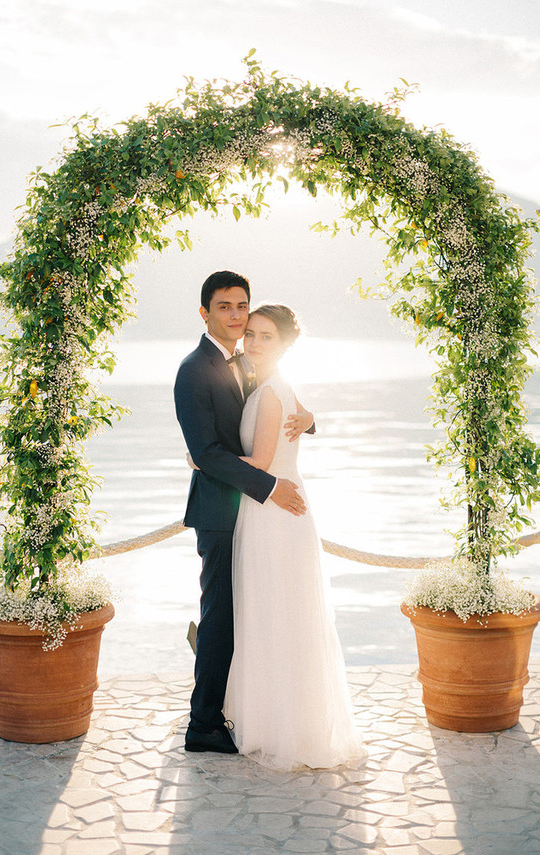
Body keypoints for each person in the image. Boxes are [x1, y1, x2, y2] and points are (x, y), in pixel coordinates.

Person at [174, 272, 314, 754]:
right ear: (205, 313)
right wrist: (270, 485)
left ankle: (243, 706)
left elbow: (273, 408)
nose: (235, 316)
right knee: (220, 617)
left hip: (254, 513)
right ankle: (204, 723)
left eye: (241, 306)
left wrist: (311, 420)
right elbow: (208, 452)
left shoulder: (249, 360)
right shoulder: (194, 369)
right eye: (225, 307)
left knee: (252, 614)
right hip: (220, 510)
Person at [223, 304, 366, 770]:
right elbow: (299, 420)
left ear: (284, 344)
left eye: (267, 336)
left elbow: (261, 463)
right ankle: (276, 719)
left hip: (274, 512)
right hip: (273, 508)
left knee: (277, 613)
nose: (256, 342)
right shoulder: (267, 386)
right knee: (275, 614)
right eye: (252, 334)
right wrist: (309, 418)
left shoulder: (270, 392)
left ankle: (281, 726)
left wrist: (200, 459)